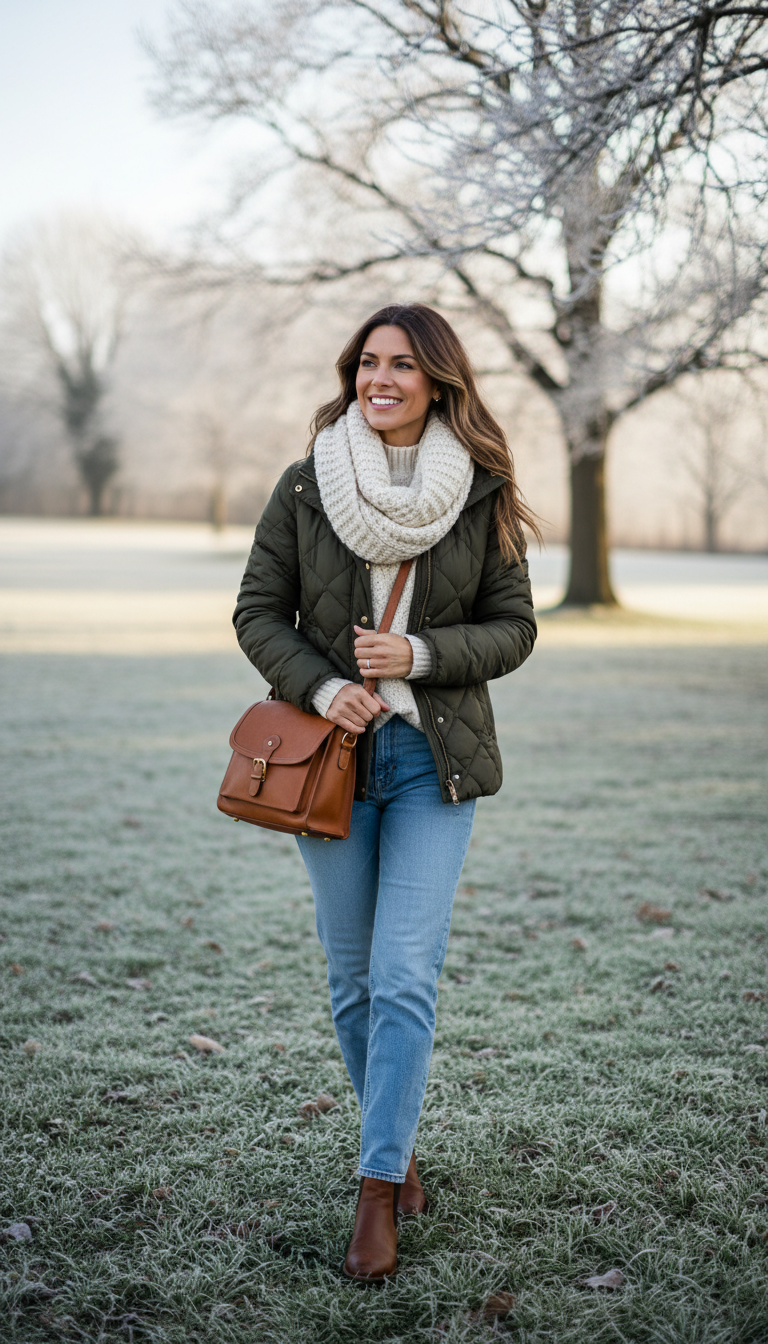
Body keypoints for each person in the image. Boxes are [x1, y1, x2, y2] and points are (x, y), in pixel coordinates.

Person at [234, 303, 538, 1281]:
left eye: (404, 364)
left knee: (405, 976)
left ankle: (375, 1195)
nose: (382, 378)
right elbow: (256, 613)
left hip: (431, 765)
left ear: (438, 380)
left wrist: (419, 654)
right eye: (369, 361)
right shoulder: (306, 483)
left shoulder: (482, 489)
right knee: (353, 980)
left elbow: (514, 628)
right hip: (328, 763)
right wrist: (325, 687)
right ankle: (396, 1147)